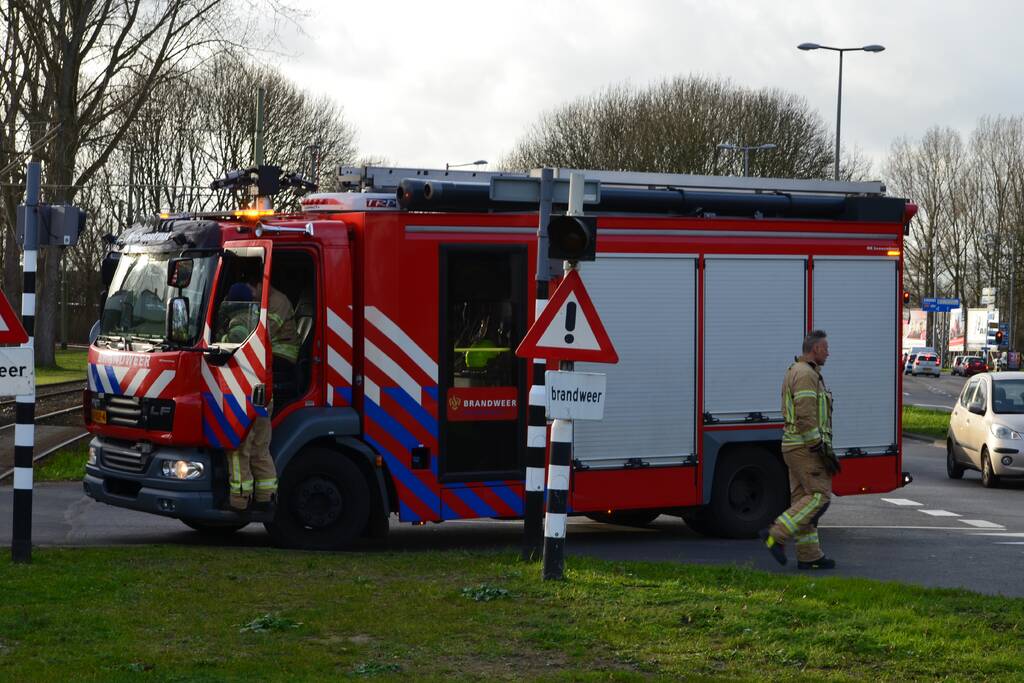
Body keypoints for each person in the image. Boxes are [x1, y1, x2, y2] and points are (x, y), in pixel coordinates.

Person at [760, 329, 840, 570]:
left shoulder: (796, 371)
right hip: (805, 447)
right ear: (815, 349)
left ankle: (809, 555)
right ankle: (776, 533)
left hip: (795, 446)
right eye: (826, 348)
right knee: (819, 496)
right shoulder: (806, 375)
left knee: (802, 500)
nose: (829, 352)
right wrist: (819, 448)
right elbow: (806, 415)